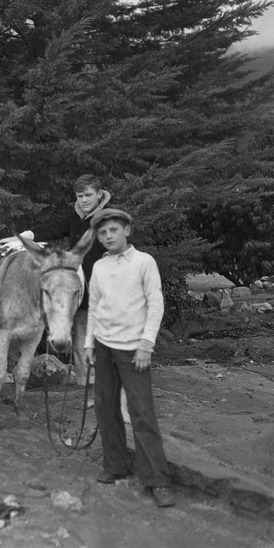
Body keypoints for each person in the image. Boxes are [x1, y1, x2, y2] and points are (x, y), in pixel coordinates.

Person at [0, 174, 128, 417]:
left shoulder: (109, 220)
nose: (84, 200)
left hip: (105, 293)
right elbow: (54, 227)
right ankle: (89, 393)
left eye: (89, 195)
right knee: (80, 345)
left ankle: (116, 397)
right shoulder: (76, 219)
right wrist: (30, 234)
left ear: (100, 194)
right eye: (80, 196)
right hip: (76, 294)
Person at [84, 208, 175, 508]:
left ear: (127, 231)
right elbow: (95, 306)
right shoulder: (99, 267)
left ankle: (157, 480)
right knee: (105, 408)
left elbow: (156, 303)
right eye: (102, 233)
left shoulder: (143, 262)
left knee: (141, 413)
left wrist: (146, 344)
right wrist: (88, 344)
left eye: (113, 230)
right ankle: (116, 464)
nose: (108, 236)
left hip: (134, 349)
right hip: (103, 346)